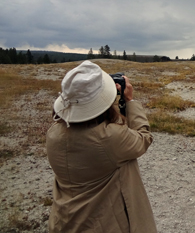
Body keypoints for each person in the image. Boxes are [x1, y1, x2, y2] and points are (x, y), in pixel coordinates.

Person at [46, 60, 157, 233]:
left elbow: (87, 119)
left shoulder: (53, 135)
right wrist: (129, 100)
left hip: (64, 222)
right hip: (104, 225)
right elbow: (143, 138)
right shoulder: (109, 137)